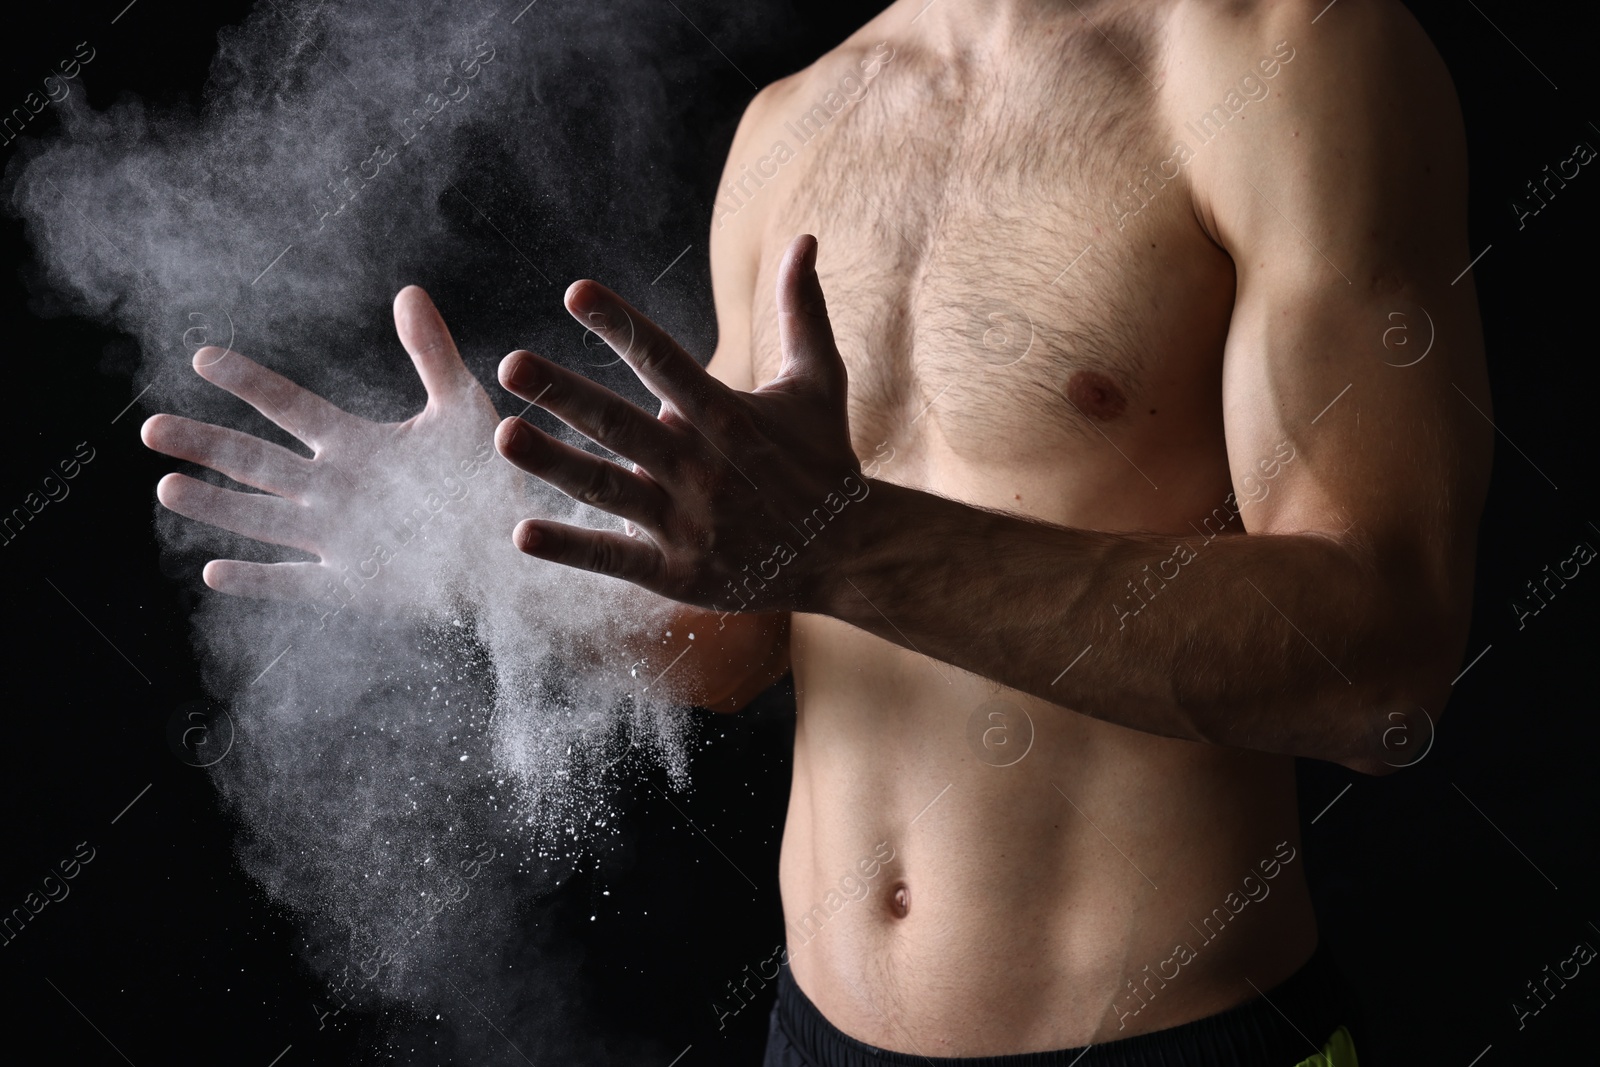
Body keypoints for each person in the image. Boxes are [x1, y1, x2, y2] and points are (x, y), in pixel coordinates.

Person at [142, 0, 1491, 1061]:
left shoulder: (1285, 57)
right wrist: (484, 549)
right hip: (820, 1039)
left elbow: (1382, 669)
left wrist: (846, 541)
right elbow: (734, 637)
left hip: (1172, 1039)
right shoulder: (795, 124)